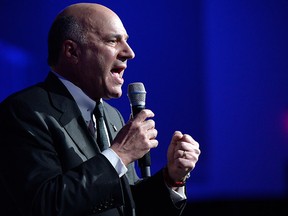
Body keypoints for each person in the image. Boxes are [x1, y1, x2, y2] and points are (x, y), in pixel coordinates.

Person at [0, 2, 201, 216]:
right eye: (113, 41)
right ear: (72, 51)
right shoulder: (24, 111)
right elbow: (44, 204)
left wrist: (172, 178)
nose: (129, 53)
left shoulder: (112, 116)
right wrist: (120, 154)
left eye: (126, 41)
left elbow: (128, 206)